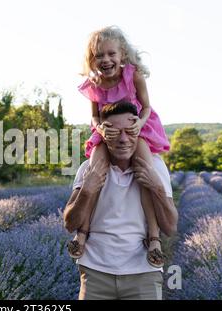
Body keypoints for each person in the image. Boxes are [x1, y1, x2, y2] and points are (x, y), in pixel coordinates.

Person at [67, 26, 170, 269]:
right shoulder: (94, 84)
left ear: (122, 54)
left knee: (146, 172)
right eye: (99, 56)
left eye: (111, 54)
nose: (106, 60)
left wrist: (139, 125)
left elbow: (145, 107)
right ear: (92, 60)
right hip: (107, 133)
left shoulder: (133, 75)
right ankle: (82, 234)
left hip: (137, 130)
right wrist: (101, 129)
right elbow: (94, 117)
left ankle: (154, 238)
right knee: (94, 173)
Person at [63, 100, 178, 300]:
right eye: (115, 132)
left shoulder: (155, 168)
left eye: (129, 131)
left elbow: (169, 227)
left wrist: (157, 187)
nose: (123, 139)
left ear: (139, 131)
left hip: (143, 272)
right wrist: (87, 190)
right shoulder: (88, 168)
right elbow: (69, 223)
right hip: (95, 272)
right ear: (103, 135)